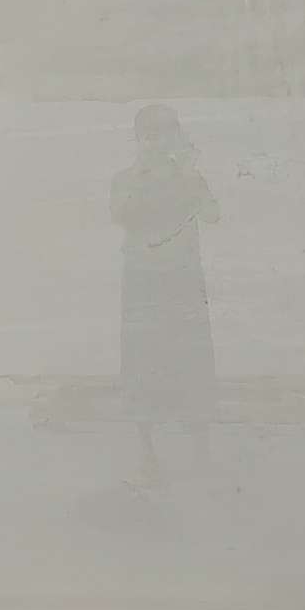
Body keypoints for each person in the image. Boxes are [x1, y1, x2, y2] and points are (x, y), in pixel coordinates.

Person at [109, 104, 219, 481]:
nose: (158, 142)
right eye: (151, 135)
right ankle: (148, 454)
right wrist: (144, 176)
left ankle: (201, 453)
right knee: (142, 362)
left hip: (184, 281)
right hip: (143, 282)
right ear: (140, 139)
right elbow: (120, 214)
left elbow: (213, 214)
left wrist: (188, 176)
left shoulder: (189, 177)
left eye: (166, 133)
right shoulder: (125, 179)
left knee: (193, 360)